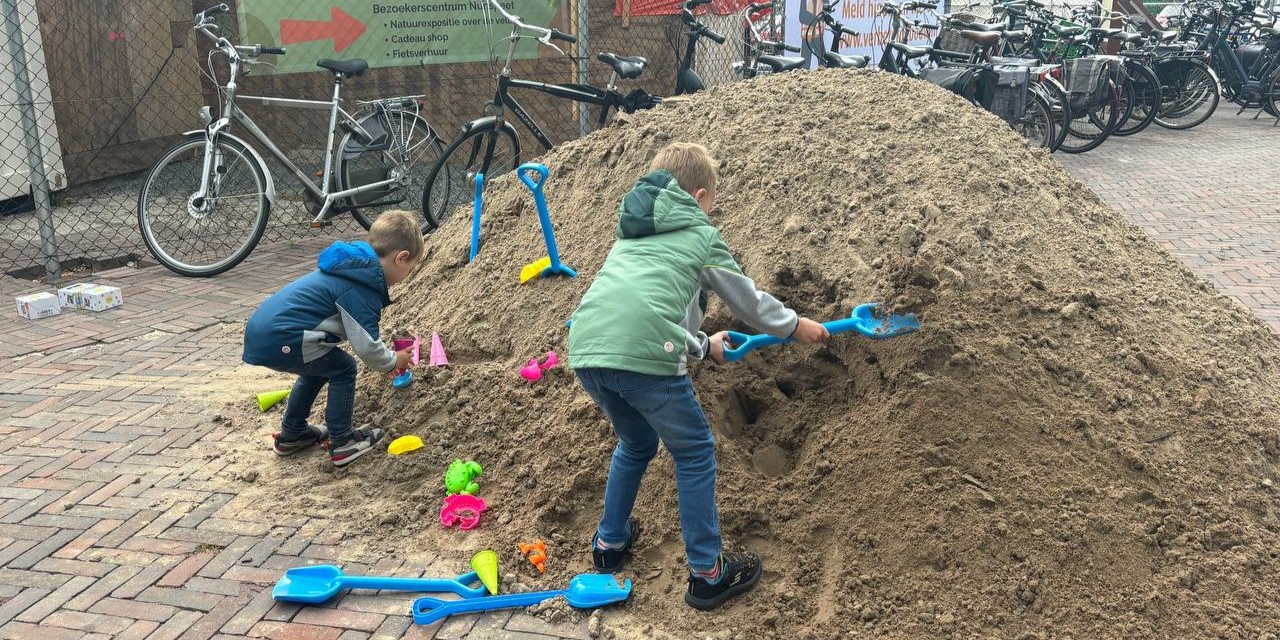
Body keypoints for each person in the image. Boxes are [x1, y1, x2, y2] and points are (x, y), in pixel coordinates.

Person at [567, 142, 830, 610]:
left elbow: (651, 312)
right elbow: (746, 299)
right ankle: (709, 575)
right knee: (694, 452)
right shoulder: (700, 233)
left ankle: (609, 546)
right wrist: (796, 326)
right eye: (711, 203)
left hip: (588, 350)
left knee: (636, 443)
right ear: (700, 195)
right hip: (644, 357)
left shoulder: (630, 234)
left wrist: (704, 346)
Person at [242, 211, 422, 467]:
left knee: (319, 368)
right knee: (343, 367)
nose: (407, 275)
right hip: (282, 336)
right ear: (400, 257)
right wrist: (394, 360)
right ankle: (343, 441)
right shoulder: (362, 288)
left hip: (267, 332)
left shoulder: (351, 270)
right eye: (410, 268)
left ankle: (292, 434)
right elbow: (368, 349)